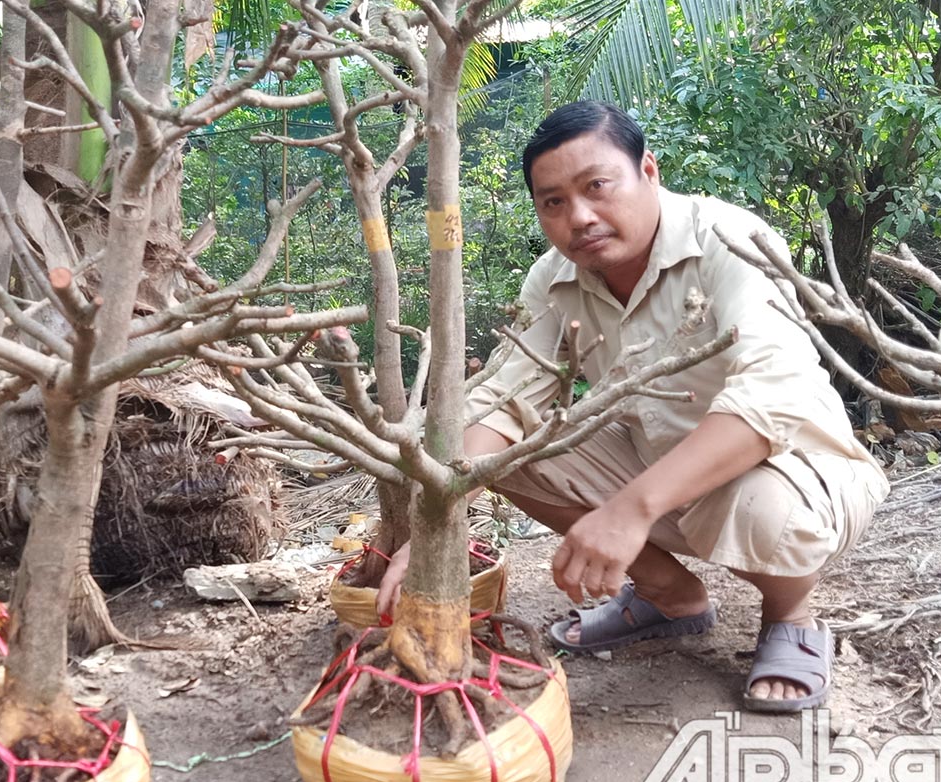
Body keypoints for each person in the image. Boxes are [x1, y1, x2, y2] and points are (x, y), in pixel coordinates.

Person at [377, 100, 890, 712]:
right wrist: (436, 524)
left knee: (762, 508)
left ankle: (790, 618)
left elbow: (771, 396)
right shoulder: (554, 279)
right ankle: (670, 597)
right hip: (657, 466)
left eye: (597, 186)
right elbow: (507, 402)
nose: (581, 217)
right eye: (554, 202)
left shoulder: (731, 241)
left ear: (648, 170)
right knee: (506, 451)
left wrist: (631, 508)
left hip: (794, 470)